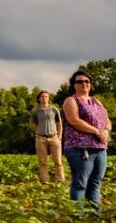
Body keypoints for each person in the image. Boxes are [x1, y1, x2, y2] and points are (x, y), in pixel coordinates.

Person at [62, 69, 111, 212]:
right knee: (80, 183)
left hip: (100, 148)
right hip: (80, 148)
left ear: (90, 84)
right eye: (79, 81)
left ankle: (95, 213)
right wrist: (96, 131)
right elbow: (74, 120)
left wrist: (106, 131)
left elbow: (107, 120)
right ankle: (78, 214)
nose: (84, 84)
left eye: (87, 81)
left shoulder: (96, 102)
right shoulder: (71, 100)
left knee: (96, 183)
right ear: (73, 85)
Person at [31, 90, 65, 184]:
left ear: (49, 98)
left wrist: (60, 136)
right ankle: (45, 180)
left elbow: (59, 124)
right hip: (40, 138)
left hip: (54, 137)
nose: (44, 98)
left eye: (46, 96)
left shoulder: (54, 110)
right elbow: (33, 124)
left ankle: (60, 179)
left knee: (58, 161)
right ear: (39, 99)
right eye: (42, 96)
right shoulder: (35, 110)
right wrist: (38, 132)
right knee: (42, 162)